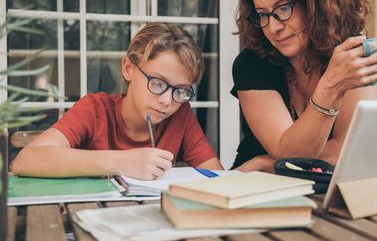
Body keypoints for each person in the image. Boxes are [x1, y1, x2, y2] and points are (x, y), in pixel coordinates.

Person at [231, 0, 377, 172]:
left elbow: (347, 150)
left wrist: (265, 162)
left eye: (283, 8)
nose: (273, 27)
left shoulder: (355, 57)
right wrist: (331, 85)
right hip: (256, 186)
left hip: (323, 186)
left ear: (318, 3)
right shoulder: (251, 64)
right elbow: (289, 154)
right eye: (263, 14)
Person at [12, 22, 223, 179]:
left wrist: (240, 176)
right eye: (158, 83)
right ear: (128, 68)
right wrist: (123, 162)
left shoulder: (180, 114)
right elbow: (26, 161)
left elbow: (215, 177)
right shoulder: (94, 110)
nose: (167, 101)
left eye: (180, 90)